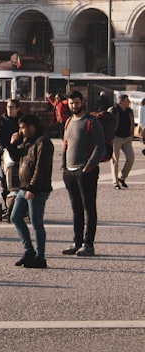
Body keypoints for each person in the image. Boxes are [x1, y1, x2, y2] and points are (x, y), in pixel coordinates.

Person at [5, 114, 54, 269]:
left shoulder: (43, 142)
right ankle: (29, 251)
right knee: (15, 217)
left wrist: (33, 188)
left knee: (36, 223)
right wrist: (13, 144)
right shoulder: (27, 141)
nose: (21, 131)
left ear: (32, 127)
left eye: (23, 127)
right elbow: (16, 156)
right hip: (24, 187)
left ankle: (41, 257)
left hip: (37, 189)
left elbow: (41, 167)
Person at [61, 90, 105, 257]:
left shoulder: (91, 122)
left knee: (89, 208)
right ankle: (77, 242)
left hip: (85, 172)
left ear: (82, 102)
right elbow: (66, 144)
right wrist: (63, 167)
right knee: (76, 209)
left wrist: (89, 166)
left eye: (77, 102)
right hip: (70, 172)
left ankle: (88, 244)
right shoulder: (68, 122)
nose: (74, 106)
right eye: (71, 103)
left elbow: (100, 146)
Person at [0, 99, 22, 216]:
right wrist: (6, 147)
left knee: (20, 182)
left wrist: (17, 142)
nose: (9, 109)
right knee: (5, 183)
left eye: (12, 107)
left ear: (17, 108)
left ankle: (21, 206)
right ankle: (7, 206)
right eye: (8, 107)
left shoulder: (22, 120)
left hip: (19, 153)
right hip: (5, 154)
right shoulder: (1, 119)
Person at [110, 94, 135, 190]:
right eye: (127, 100)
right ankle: (115, 182)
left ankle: (122, 177)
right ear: (121, 102)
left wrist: (131, 134)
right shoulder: (113, 110)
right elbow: (108, 123)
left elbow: (132, 122)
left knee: (130, 158)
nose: (129, 102)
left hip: (127, 138)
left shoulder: (129, 111)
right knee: (115, 160)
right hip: (116, 137)